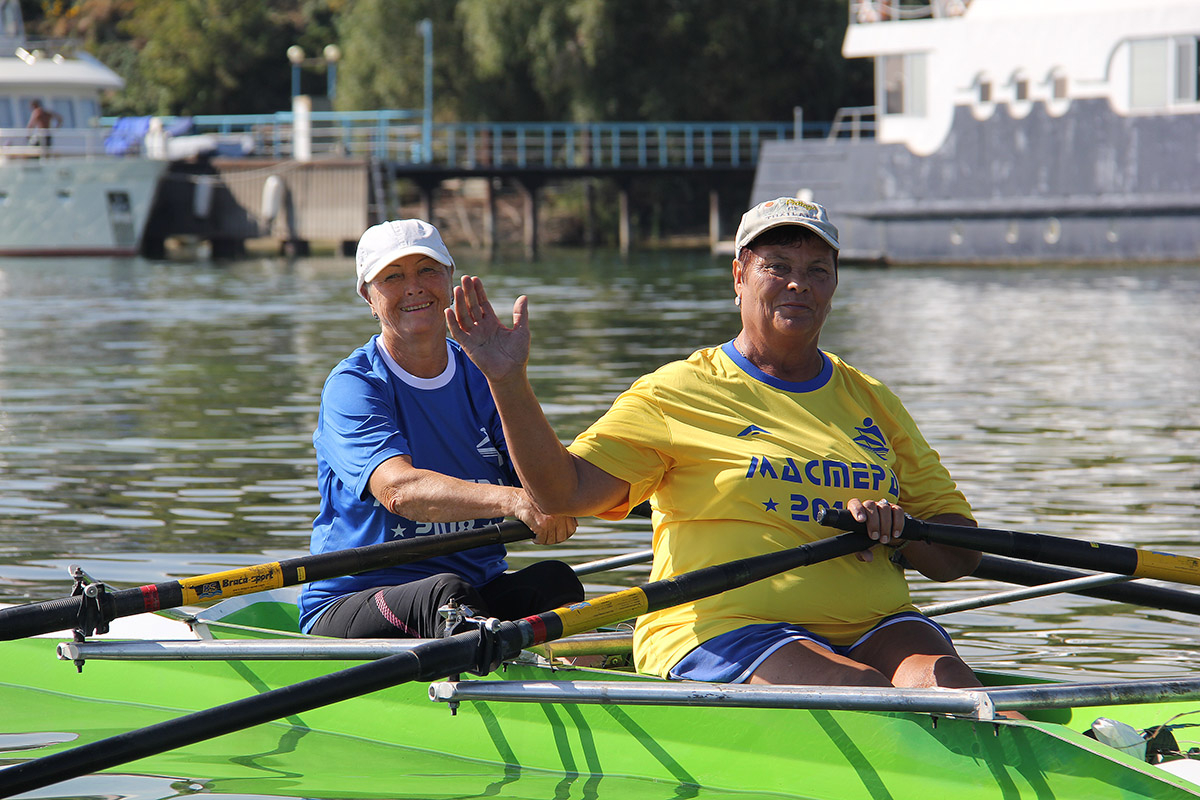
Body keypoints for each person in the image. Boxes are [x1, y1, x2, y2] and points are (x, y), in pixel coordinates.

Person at [447, 197, 985, 689]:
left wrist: (903, 530)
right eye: (778, 266)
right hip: (723, 627)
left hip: (878, 625)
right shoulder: (677, 391)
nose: (799, 283)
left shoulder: (872, 399)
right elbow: (563, 494)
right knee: (867, 694)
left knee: (955, 693)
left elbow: (959, 551)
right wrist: (508, 381)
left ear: (834, 286)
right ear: (739, 276)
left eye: (817, 271)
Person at [298, 219, 584, 639]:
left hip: (474, 593)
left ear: (449, 279)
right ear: (368, 297)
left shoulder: (483, 371)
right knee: (446, 594)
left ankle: (590, 680)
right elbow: (400, 491)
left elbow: (542, 476)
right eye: (393, 277)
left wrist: (511, 379)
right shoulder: (355, 386)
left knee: (555, 581)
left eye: (427, 270)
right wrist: (517, 501)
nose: (413, 286)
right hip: (356, 598)